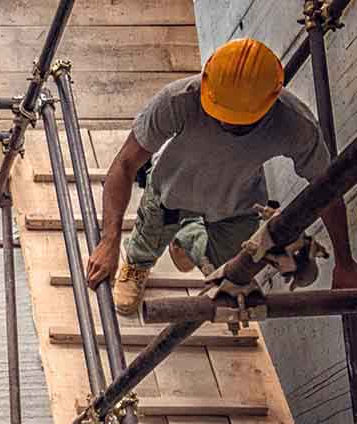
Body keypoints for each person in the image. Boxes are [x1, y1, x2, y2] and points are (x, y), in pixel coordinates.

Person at [85, 38, 356, 313]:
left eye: (240, 121)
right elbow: (125, 165)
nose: (226, 122)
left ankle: (187, 239)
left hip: (236, 206)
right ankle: (137, 264)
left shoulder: (294, 124)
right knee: (147, 240)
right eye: (221, 114)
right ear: (206, 82)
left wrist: (345, 263)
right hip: (171, 192)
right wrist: (109, 242)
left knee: (234, 268)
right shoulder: (177, 100)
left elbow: (327, 190)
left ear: (271, 100)